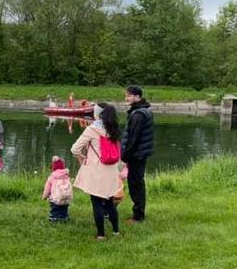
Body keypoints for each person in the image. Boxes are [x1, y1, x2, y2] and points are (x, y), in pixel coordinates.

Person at [71, 103, 123, 240]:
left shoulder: (92, 129)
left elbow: (74, 149)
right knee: (110, 201)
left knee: (96, 203)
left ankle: (101, 235)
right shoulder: (114, 128)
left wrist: (82, 158)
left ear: (97, 114)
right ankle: (116, 232)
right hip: (111, 170)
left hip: (96, 170)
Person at [122, 86, 155, 223]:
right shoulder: (143, 110)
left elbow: (133, 139)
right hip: (140, 153)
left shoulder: (138, 115)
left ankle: (138, 216)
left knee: (135, 184)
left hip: (137, 155)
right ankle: (139, 213)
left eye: (129, 96)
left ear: (137, 97)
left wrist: (125, 156)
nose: (126, 98)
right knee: (137, 182)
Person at [42, 156, 73, 222]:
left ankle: (54, 219)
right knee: (64, 209)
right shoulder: (66, 176)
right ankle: (64, 218)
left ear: (54, 167)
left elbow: (47, 189)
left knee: (55, 210)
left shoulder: (52, 177)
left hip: (55, 199)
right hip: (66, 198)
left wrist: (44, 196)